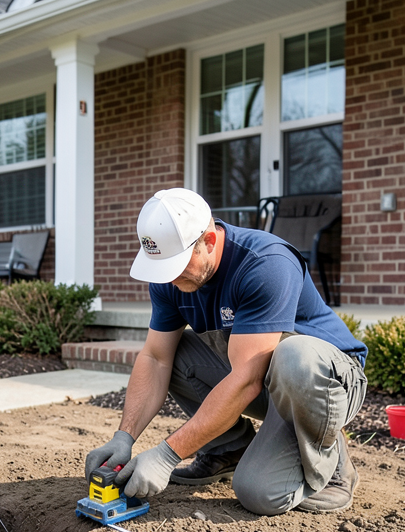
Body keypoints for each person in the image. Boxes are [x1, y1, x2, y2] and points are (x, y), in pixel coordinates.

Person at [85, 188, 368, 515]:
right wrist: (125, 436)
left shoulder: (265, 263)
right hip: (267, 379)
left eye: (178, 264)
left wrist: (167, 454)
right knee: (173, 352)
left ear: (208, 240)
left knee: (259, 493)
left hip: (324, 382)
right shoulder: (168, 276)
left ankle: (332, 464)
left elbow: (247, 379)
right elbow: (155, 358)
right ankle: (229, 450)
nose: (170, 277)